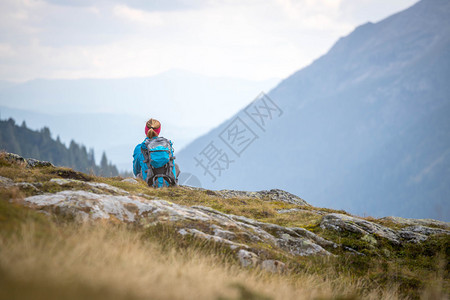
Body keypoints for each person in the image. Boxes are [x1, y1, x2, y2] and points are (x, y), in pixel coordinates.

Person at [133, 118, 180, 187]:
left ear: (146, 130)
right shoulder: (166, 145)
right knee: (176, 166)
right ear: (158, 131)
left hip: (147, 182)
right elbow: (171, 165)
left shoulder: (140, 147)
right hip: (167, 181)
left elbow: (136, 170)